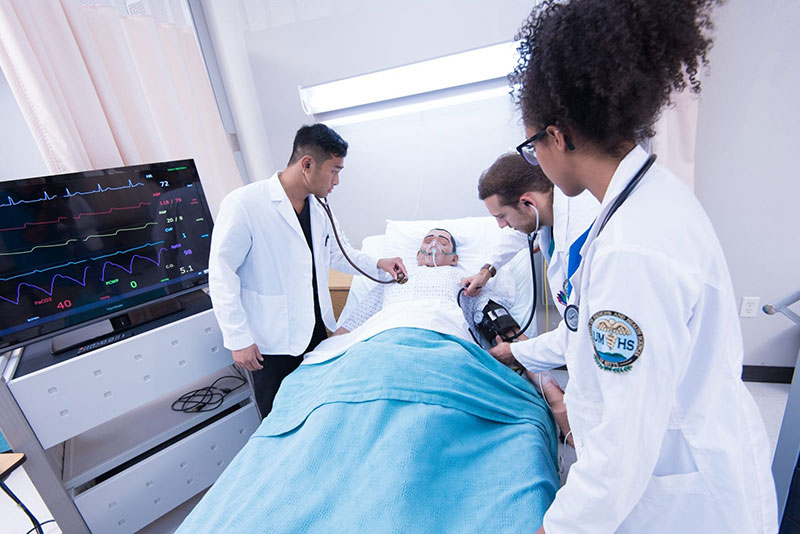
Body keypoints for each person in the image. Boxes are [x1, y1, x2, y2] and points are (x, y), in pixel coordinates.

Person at [496, 1, 778, 533]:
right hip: (673, 465)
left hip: (683, 499)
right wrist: (525, 356)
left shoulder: (633, 248)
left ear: (557, 136)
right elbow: (585, 334)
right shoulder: (642, 201)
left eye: (532, 145)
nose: (537, 160)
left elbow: (623, 449)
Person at [208, 123, 407, 417]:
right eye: (334, 170)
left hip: (314, 333)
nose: (337, 181)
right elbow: (221, 273)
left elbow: (340, 254)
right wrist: (238, 339)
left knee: (315, 413)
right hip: (270, 343)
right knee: (279, 419)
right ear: (307, 164)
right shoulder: (245, 204)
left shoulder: (318, 207)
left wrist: (379, 263)